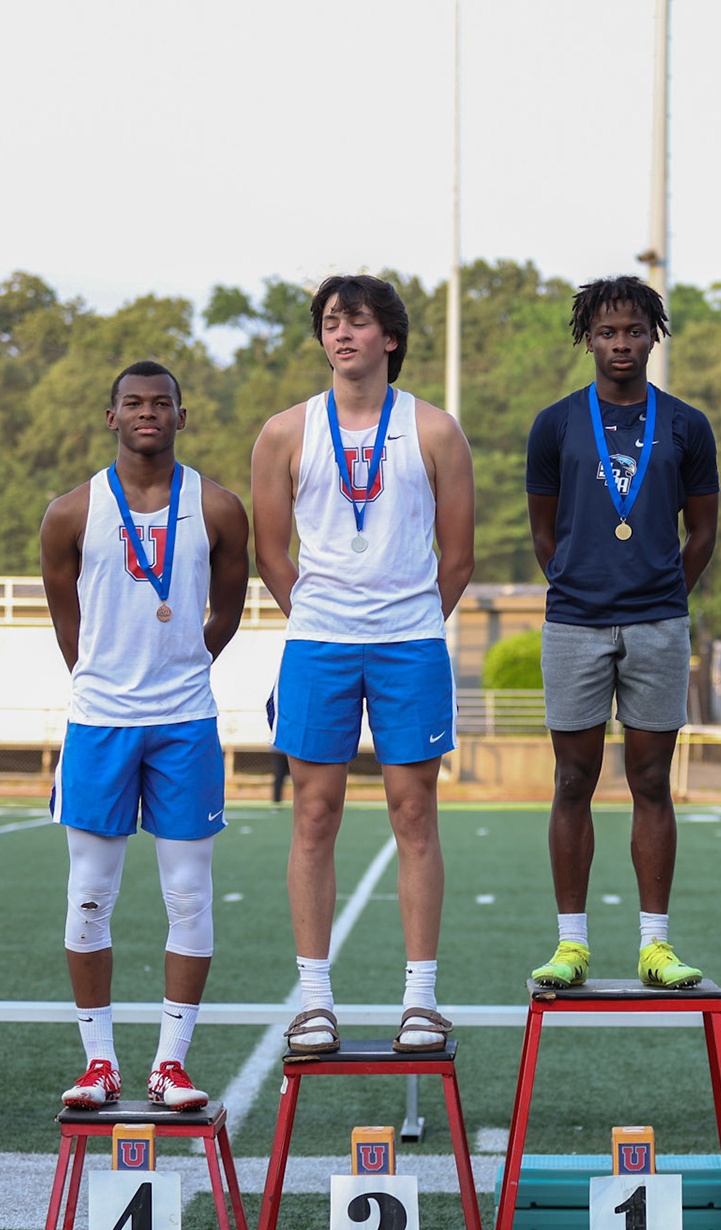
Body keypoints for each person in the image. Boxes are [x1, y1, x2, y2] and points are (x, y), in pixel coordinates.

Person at [250, 275, 476, 1054]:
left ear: (391, 338)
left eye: (358, 321)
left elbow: (460, 557)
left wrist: (406, 617)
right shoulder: (284, 432)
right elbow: (272, 553)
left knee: (414, 815)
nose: (342, 333)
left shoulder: (436, 431)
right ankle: (315, 1000)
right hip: (318, 642)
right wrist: (321, 616)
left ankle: (420, 998)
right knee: (314, 815)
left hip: (411, 642)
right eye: (331, 322)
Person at [39, 360, 250, 1110]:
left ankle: (171, 1064)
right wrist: (109, 679)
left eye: (161, 403)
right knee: (90, 896)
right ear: (112, 417)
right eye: (133, 403)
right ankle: (100, 1064)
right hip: (99, 722)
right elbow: (71, 627)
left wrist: (181, 668)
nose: (148, 413)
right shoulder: (70, 513)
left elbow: (225, 613)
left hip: (186, 721)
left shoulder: (219, 507)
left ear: (181, 417)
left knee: (189, 896)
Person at [523, 276, 719, 991]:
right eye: (607, 332)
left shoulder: (687, 424)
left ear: (652, 335)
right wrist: (577, 582)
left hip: (659, 623)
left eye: (634, 331)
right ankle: (571, 944)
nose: (621, 344)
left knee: (650, 781)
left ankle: (655, 946)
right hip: (574, 622)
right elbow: (544, 529)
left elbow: (702, 529)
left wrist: (664, 591)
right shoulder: (556, 424)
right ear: (588, 339)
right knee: (573, 778)